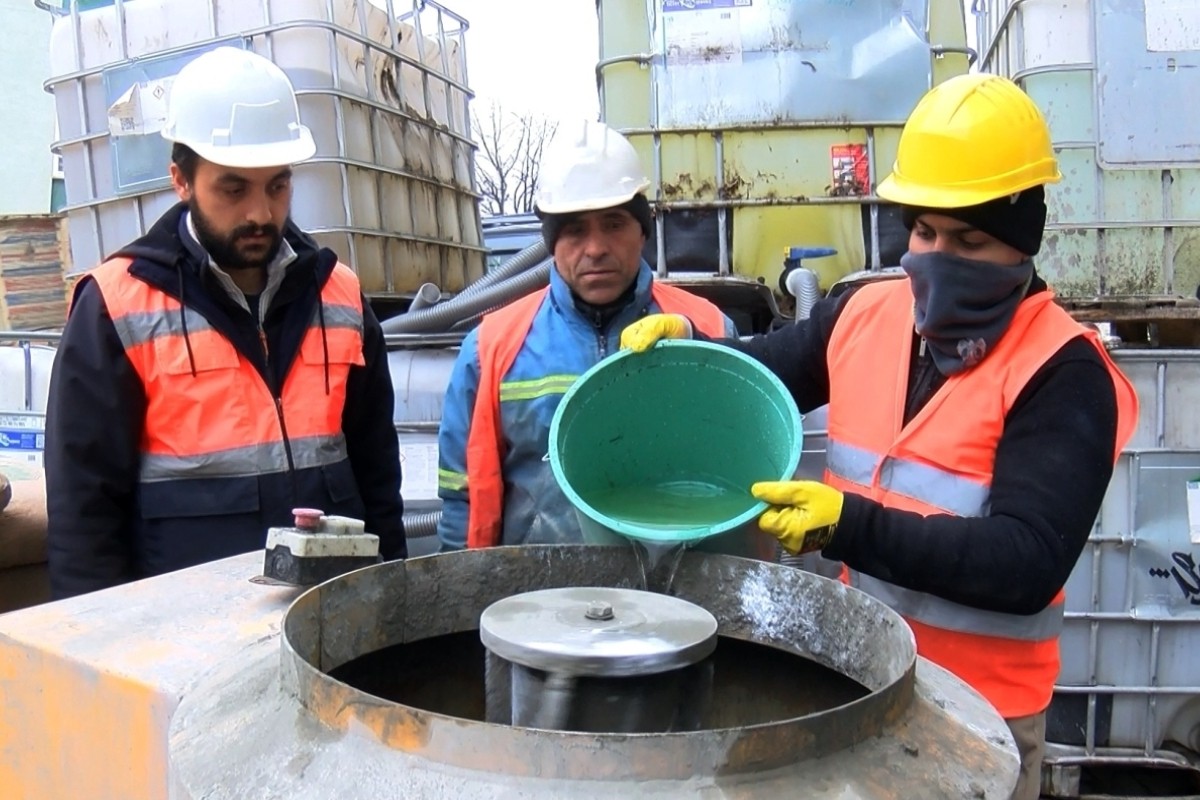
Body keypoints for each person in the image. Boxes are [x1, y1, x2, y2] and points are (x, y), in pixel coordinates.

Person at [620, 74, 1139, 800]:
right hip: (859, 684)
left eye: (969, 239)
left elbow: (1026, 561)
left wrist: (849, 525)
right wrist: (693, 349)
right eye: (924, 231)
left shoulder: (1064, 370)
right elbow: (761, 382)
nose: (935, 256)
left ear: (1024, 244)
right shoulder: (864, 314)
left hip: (981, 717)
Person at [45, 47, 405, 599]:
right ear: (180, 180)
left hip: (328, 616)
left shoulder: (341, 294)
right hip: (184, 630)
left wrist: (392, 602)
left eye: (277, 186)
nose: (260, 213)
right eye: (233, 189)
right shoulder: (116, 304)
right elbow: (83, 512)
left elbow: (378, 474)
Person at [436, 120, 737, 551]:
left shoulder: (707, 328)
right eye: (575, 230)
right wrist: (462, 607)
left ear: (642, 231)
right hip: (537, 600)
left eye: (614, 224)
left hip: (676, 600)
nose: (595, 248)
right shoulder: (491, 348)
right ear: (552, 243)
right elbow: (460, 497)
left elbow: (742, 475)